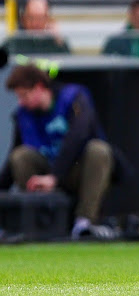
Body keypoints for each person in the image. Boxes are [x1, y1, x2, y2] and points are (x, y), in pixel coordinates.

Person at [0, 64, 127, 239]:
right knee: (21, 157)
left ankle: (84, 222)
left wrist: (54, 177)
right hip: (47, 177)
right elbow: (12, 158)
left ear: (39, 87)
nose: (21, 102)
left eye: (24, 95)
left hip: (77, 173)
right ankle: (43, 218)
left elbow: (78, 135)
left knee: (99, 150)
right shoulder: (24, 115)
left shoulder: (75, 98)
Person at [1, 0, 70, 55]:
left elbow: (67, 66)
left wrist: (58, 41)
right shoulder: (14, 43)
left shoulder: (56, 43)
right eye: (31, 18)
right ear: (23, 19)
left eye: (40, 18)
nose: (35, 23)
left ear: (48, 19)